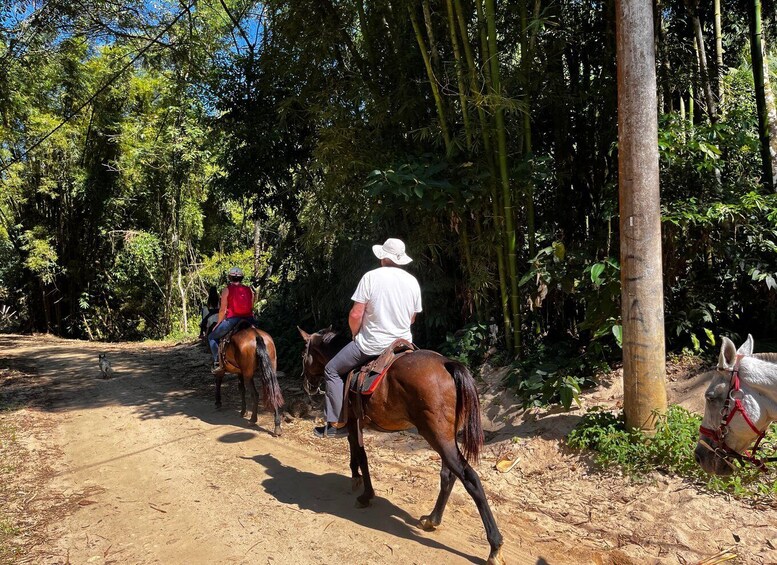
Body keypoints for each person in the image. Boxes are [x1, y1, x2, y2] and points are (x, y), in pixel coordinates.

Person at [314, 238, 422, 438]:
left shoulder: (371, 277)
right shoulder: (412, 281)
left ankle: (337, 423)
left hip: (372, 344)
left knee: (331, 370)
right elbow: (412, 318)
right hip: (403, 344)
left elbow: (356, 314)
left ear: (383, 257)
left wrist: (355, 334)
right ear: (400, 260)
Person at [208, 267, 255, 375]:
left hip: (233, 319)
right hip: (249, 319)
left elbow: (223, 310)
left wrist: (218, 323)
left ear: (230, 277)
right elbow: (251, 306)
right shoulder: (249, 290)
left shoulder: (227, 290)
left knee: (211, 337)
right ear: (242, 278)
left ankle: (217, 362)